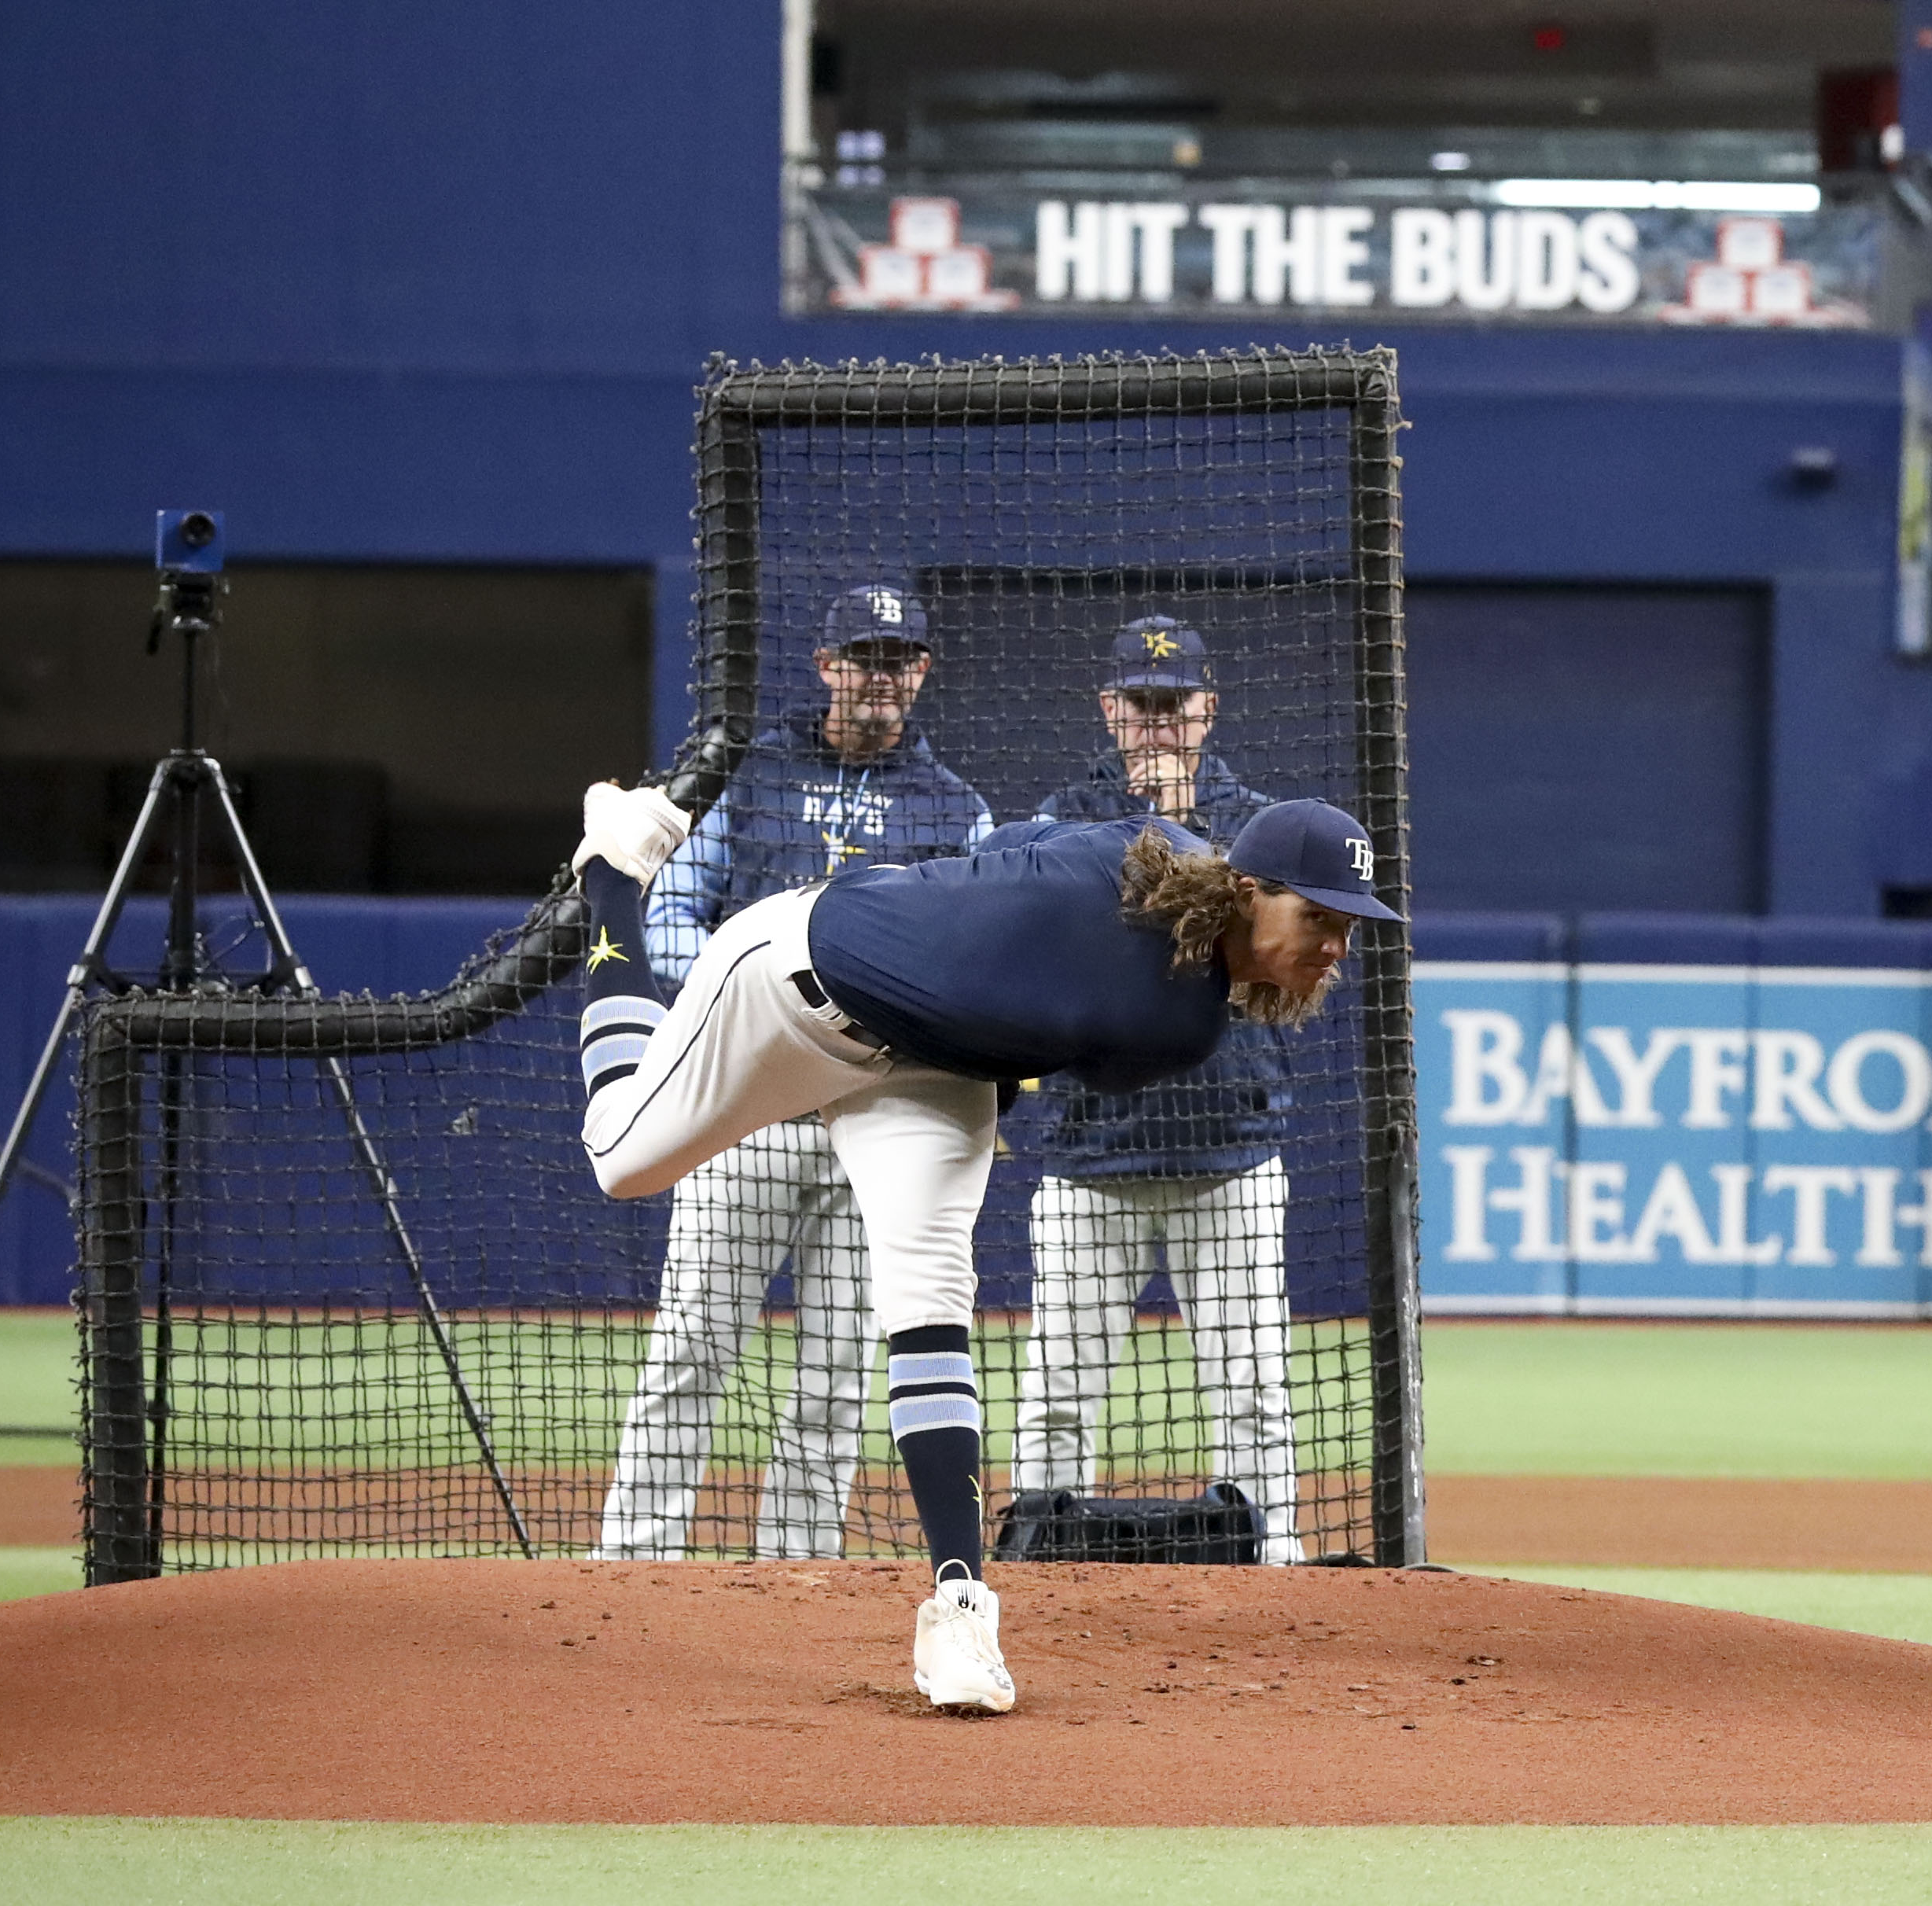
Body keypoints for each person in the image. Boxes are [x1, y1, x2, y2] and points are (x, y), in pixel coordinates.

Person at [569, 780, 1400, 1715]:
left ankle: (961, 1604)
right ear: (1248, 887)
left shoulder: (1146, 853)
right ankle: (613, 870)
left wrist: (966, 910)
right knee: (618, 1156)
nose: (1335, 946)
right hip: (791, 979)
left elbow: (1013, 844)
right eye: (1319, 914)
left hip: (928, 1070)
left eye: (1350, 926)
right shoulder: (1179, 1022)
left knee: (929, 1305)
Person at [595, 586, 992, 1562]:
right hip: (750, 1116)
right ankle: (630, 1567)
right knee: (691, 1345)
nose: (881, 675)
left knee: (836, 1381)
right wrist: (765, 998)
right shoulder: (753, 775)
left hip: (876, 1124)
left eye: (900, 658)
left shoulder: (956, 809)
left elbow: (981, 956)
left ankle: (798, 1580)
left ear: (923, 673)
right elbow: (669, 914)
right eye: (862, 655)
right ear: (825, 665)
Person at [1006, 616, 1305, 1557]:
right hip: (1093, 1149)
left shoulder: (1263, 826)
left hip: (1230, 1150)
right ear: (1110, 710)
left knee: (1253, 1391)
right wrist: (1143, 833)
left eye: (1175, 707)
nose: (1158, 725)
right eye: (1141, 706)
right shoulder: (1060, 819)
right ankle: (1037, 1565)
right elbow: (1047, 946)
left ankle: (1276, 1568)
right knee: (1057, 1391)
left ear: (1208, 710)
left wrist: (1193, 836)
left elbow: (1290, 964)